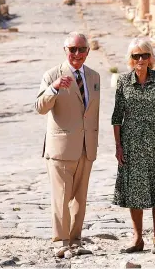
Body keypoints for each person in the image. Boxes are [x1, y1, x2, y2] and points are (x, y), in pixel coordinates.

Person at [35, 32, 100, 258]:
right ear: (65, 51)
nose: (77, 54)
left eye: (82, 49)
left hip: (86, 146)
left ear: (88, 52)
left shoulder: (94, 76)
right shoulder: (52, 74)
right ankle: (60, 242)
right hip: (61, 148)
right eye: (72, 49)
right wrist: (53, 88)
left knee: (80, 199)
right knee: (61, 198)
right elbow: (40, 107)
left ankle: (76, 240)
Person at [111, 38, 155, 253]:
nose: (140, 59)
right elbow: (116, 117)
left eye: (144, 55)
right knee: (134, 191)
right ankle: (137, 238)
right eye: (136, 56)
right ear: (130, 59)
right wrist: (118, 146)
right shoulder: (122, 81)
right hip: (131, 144)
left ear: (151, 58)